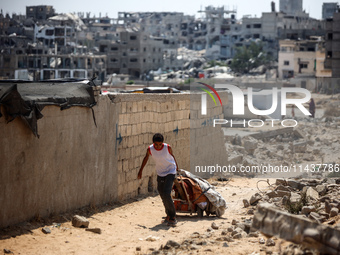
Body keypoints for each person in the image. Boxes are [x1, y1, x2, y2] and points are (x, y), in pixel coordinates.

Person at [138, 133, 179, 226]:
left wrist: (176, 167)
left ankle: (173, 216)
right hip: (160, 172)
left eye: (160, 144)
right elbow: (146, 158)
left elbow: (172, 156)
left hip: (170, 171)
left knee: (167, 192)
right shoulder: (150, 149)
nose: (158, 146)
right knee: (161, 193)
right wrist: (140, 170)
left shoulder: (167, 147)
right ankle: (168, 215)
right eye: (156, 144)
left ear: (162, 143)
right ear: (153, 143)